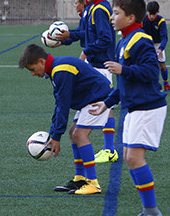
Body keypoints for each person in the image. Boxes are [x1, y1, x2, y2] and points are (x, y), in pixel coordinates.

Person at [89, 0, 166, 216]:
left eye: (116, 13)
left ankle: (152, 212)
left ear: (131, 17)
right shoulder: (124, 41)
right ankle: (148, 210)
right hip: (134, 107)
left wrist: (125, 69)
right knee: (128, 158)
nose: (112, 17)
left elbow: (151, 73)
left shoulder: (140, 39)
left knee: (134, 158)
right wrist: (107, 103)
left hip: (148, 106)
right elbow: (123, 83)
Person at [18, 44, 110, 195]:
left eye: (32, 69)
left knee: (80, 135)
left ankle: (93, 183)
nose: (33, 74)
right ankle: (80, 179)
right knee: (73, 133)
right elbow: (59, 104)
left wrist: (56, 136)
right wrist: (53, 132)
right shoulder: (55, 69)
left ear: (41, 61)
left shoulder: (61, 70)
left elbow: (64, 105)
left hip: (99, 98)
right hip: (90, 98)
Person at [54, 0, 117, 164]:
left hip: (102, 65)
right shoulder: (91, 8)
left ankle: (109, 149)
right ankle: (103, 154)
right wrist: (67, 38)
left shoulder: (99, 9)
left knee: (86, 125)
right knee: (83, 124)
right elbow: (85, 33)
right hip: (95, 64)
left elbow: (105, 38)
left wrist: (86, 52)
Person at [142, 1, 170, 92]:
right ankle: (148, 85)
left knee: (162, 66)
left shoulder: (161, 21)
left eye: (154, 14)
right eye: (150, 14)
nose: (151, 16)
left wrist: (161, 49)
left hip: (158, 44)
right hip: (146, 43)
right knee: (146, 64)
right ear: (147, 12)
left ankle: (166, 84)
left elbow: (164, 37)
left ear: (158, 12)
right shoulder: (143, 20)